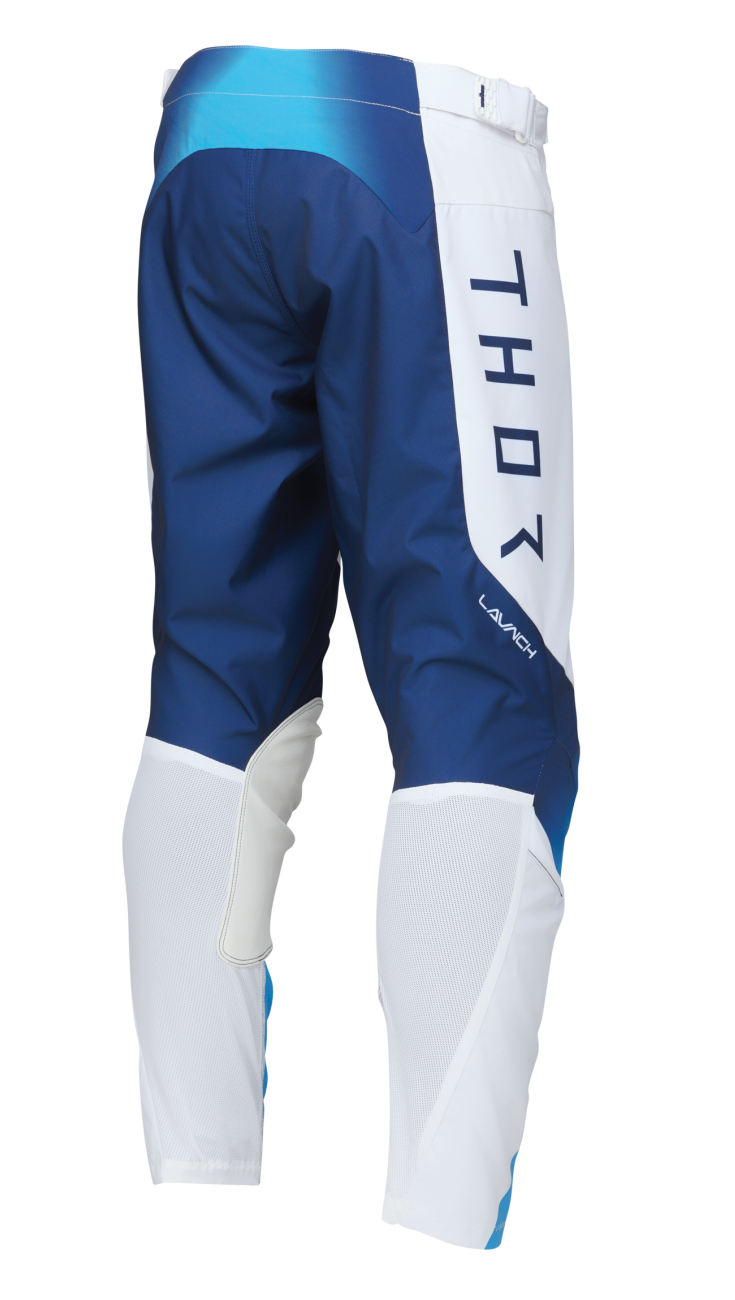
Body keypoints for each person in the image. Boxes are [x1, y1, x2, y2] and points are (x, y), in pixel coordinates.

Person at [123, 45, 578, 1251]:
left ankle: (194, 1171)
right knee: (489, 699)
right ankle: (438, 1220)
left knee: (213, 687)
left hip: (206, 129)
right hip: (421, 146)